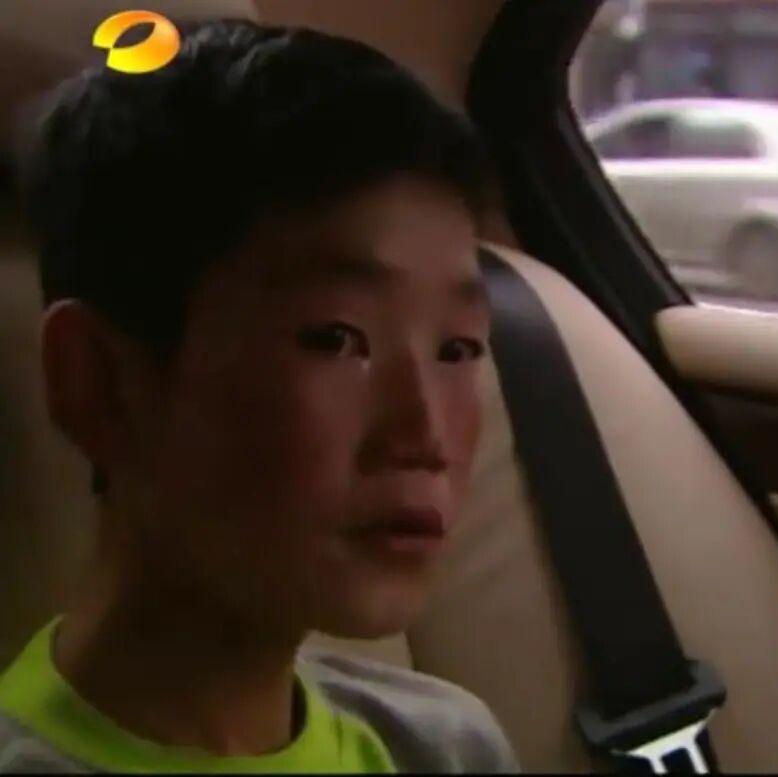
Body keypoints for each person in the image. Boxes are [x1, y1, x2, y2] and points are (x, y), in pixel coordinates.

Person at [0, 17, 519, 773]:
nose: (425, 434)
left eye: (459, 349)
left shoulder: (444, 745)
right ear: (99, 383)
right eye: (337, 338)